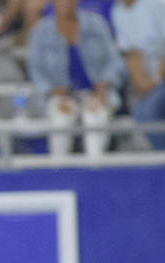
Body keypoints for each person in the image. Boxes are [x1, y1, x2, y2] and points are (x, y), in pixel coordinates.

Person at [27, 0, 125, 156]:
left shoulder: (96, 24)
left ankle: (95, 168)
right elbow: (35, 72)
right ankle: (59, 170)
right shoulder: (41, 31)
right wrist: (54, 92)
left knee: (94, 118)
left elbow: (115, 62)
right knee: (60, 119)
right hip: (60, 95)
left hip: (95, 93)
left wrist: (103, 85)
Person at [111, 0, 165, 150]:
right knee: (138, 109)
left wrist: (157, 79)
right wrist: (141, 80)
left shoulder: (158, 3)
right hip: (153, 77)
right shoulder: (118, 11)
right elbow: (132, 52)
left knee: (149, 110)